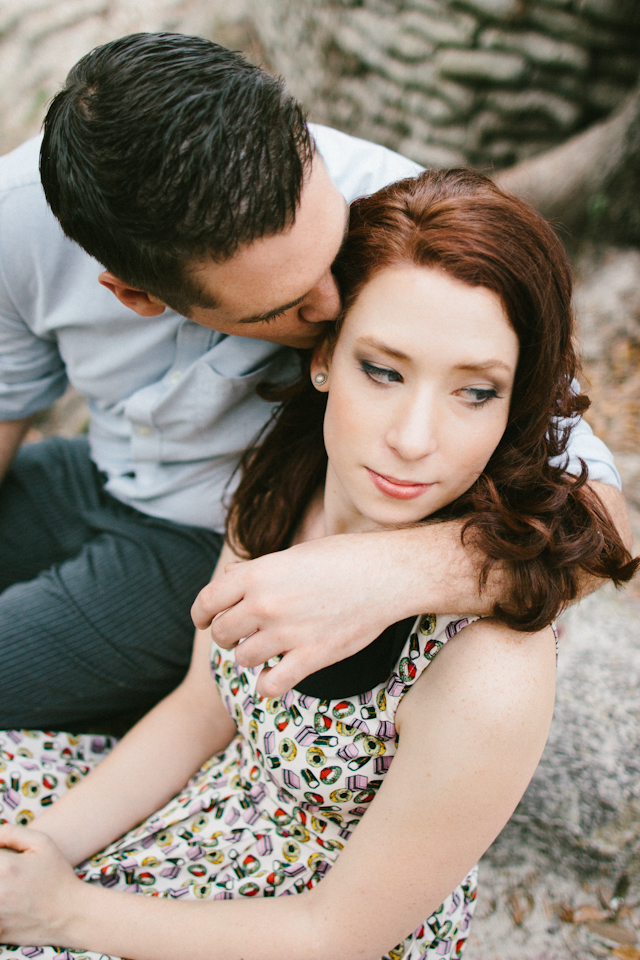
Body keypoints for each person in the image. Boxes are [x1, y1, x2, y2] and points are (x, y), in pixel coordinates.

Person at [0, 170, 635, 960]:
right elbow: (202, 708)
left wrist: (61, 915)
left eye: (475, 392)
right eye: (384, 370)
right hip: (204, 809)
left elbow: (336, 934)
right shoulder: (283, 482)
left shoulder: (490, 669)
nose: (412, 437)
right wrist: (40, 852)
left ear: (515, 404)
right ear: (325, 354)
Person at [0, 33, 628, 729]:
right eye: (282, 308)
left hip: (220, 547)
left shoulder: (401, 222)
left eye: (332, 251)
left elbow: (606, 527)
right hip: (97, 474)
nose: (333, 306)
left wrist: (385, 573)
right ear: (137, 295)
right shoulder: (19, 219)